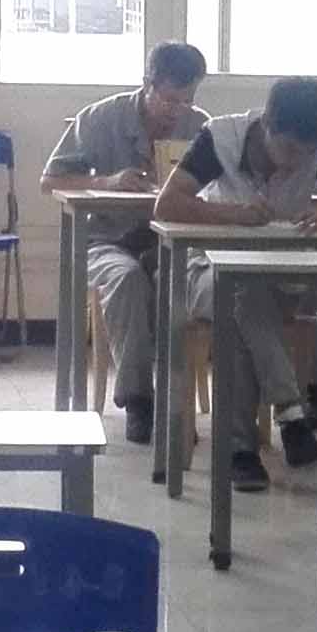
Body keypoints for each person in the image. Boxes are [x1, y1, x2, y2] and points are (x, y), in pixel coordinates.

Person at [155, 75, 317, 491]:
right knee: (240, 291)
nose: (297, 162)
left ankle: (241, 452)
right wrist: (233, 216)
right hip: (207, 270)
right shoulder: (220, 138)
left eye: (307, 153)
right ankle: (290, 413)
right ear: (266, 125)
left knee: (244, 308)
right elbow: (167, 204)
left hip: (283, 277)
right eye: (289, 149)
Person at [43, 40, 209, 445]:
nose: (177, 112)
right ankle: (138, 400)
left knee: (189, 280)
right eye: (169, 100)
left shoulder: (201, 126)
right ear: (147, 83)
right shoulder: (101, 118)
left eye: (187, 101)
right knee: (127, 279)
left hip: (170, 239)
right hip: (106, 238)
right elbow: (50, 181)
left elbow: (222, 188)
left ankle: (180, 400)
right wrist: (106, 181)